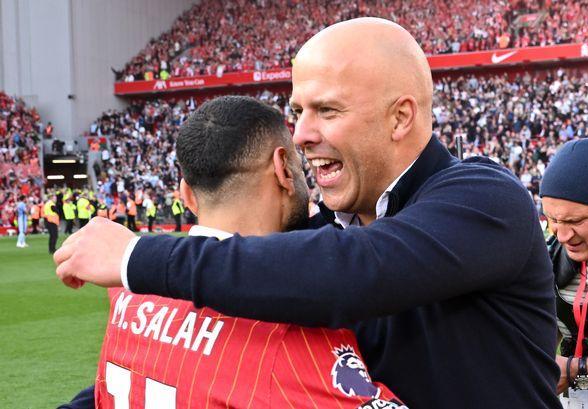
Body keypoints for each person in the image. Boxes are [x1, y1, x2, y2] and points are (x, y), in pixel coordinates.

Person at [55, 18, 560, 408]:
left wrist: (137, 257)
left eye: (327, 110)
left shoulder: (484, 199)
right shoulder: (319, 236)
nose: (300, 134)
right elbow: (204, 355)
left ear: (400, 117)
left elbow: (354, 273)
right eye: (298, 111)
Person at [61, 96, 406, 409]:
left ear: (186, 195)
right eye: (300, 166)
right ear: (283, 169)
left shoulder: (127, 296)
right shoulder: (288, 332)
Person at [540, 138, 588, 409]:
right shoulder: (552, 258)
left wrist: (574, 370)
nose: (562, 235)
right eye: (553, 220)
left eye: (575, 221)